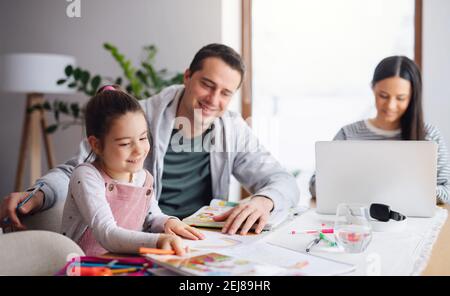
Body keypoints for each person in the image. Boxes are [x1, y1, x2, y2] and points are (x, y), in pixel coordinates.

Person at [0, 43, 299, 236]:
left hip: (198, 240)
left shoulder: (232, 129)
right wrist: (39, 193)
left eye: (225, 93)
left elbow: (281, 179)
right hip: (142, 236)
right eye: (207, 85)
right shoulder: (140, 118)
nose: (213, 100)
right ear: (187, 77)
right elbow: (77, 170)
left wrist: (263, 200)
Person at [62, 85, 203, 256]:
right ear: (96, 145)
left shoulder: (143, 177)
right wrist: (157, 240)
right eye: (125, 143)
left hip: (125, 263)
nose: (139, 150)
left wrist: (169, 222)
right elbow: (106, 233)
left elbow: (152, 217)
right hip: (85, 266)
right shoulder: (87, 176)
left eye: (143, 138)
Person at [309, 56, 449, 204]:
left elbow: (447, 190)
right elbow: (315, 186)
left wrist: (403, 190)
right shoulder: (348, 135)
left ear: (413, 96)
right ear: (372, 88)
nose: (390, 106)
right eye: (383, 96)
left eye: (400, 98)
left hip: (415, 223)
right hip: (359, 222)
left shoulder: (430, 135)